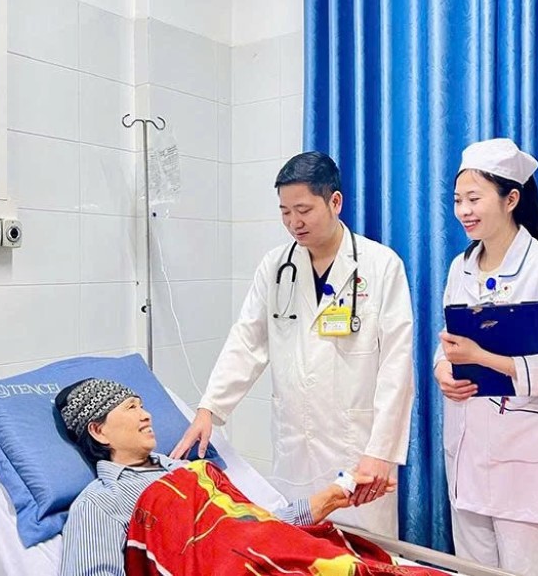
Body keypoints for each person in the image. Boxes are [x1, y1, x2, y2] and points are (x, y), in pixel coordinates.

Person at [171, 151, 414, 537]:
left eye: (303, 210)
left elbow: (397, 367)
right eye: (285, 212)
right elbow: (247, 340)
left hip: (356, 450)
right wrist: (209, 409)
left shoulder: (381, 265)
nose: (293, 223)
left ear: (335, 202)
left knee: (363, 555)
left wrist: (381, 451)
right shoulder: (275, 266)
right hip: (294, 450)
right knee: (295, 549)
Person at [434, 138, 538, 576]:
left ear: (511, 199)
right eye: (457, 200)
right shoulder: (460, 268)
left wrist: (490, 360)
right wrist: (443, 369)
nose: (463, 211)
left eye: (474, 199)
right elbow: (445, 342)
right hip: (467, 458)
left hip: (524, 468)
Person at [56, 378, 394, 576]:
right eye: (131, 408)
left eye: (142, 405)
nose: (146, 415)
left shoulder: (188, 470)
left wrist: (335, 495)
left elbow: (256, 529)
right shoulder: (101, 502)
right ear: (98, 431)